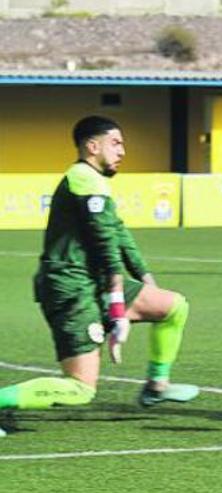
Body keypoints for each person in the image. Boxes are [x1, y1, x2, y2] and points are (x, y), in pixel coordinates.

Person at [0, 116, 198, 420]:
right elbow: (106, 246)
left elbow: (119, 235)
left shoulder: (95, 182)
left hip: (92, 283)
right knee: (80, 389)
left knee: (174, 306)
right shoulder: (83, 178)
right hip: (70, 287)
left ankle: (157, 385)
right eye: (115, 143)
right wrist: (118, 308)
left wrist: (147, 281)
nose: (122, 151)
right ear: (92, 146)